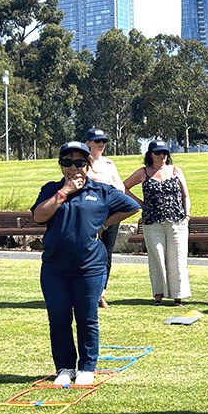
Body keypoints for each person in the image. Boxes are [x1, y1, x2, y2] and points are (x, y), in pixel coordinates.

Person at [32, 142, 140, 386]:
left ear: (88, 165)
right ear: (61, 166)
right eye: (67, 162)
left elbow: (132, 206)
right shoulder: (51, 189)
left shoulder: (102, 191)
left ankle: (87, 367)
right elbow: (39, 216)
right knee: (58, 319)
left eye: (79, 162)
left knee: (87, 317)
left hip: (89, 267)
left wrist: (104, 224)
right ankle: (65, 368)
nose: (73, 167)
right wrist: (64, 192)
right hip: (54, 268)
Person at [123, 140, 192, 307]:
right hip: (152, 222)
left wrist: (187, 215)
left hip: (177, 221)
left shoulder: (176, 171)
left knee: (178, 258)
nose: (161, 156)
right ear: (150, 155)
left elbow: (185, 195)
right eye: (157, 153)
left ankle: (178, 296)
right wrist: (139, 203)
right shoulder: (143, 172)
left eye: (164, 153)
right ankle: (158, 295)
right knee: (157, 258)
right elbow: (123, 187)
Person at [83, 128, 125, 309]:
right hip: (89, 215)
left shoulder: (109, 164)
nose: (101, 144)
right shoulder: (83, 163)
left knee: (106, 254)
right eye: (97, 141)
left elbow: (120, 187)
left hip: (110, 214)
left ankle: (101, 293)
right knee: (86, 252)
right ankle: (84, 292)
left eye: (103, 141)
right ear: (88, 143)